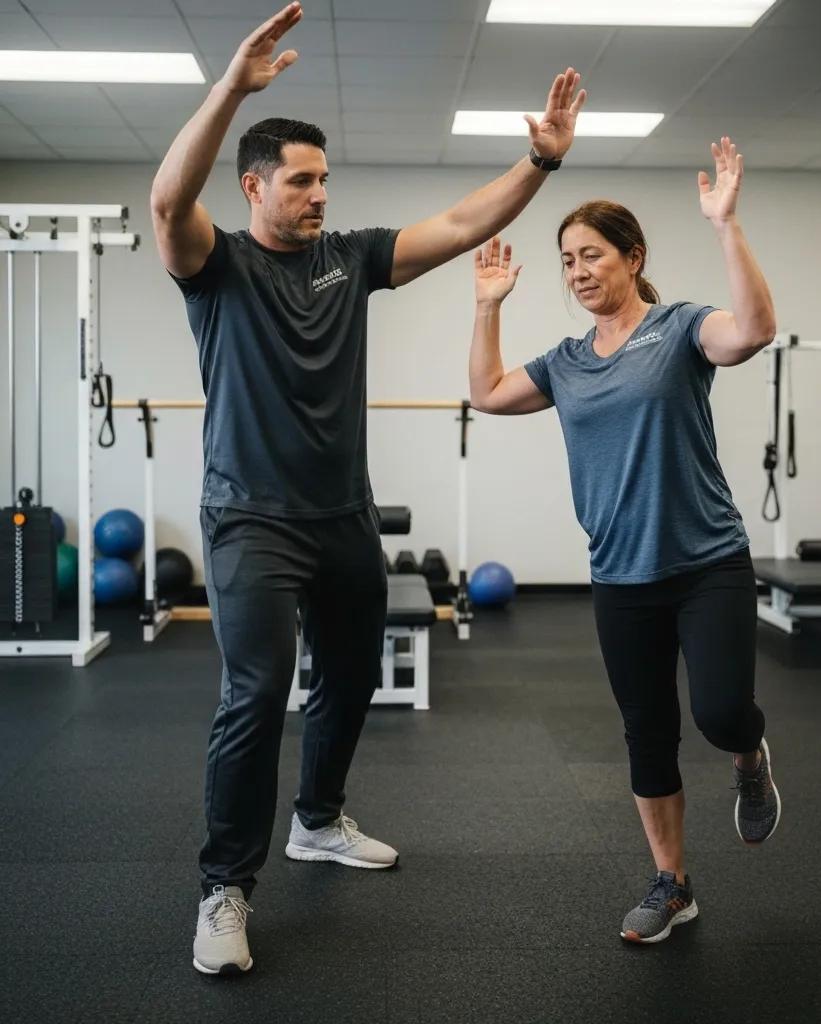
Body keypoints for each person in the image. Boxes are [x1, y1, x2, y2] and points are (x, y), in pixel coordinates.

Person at [149, 1, 586, 975]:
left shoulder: (351, 259)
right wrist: (229, 89)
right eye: (300, 182)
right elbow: (167, 203)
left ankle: (318, 818)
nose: (318, 195)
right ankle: (225, 887)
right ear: (254, 186)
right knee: (257, 694)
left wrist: (543, 161)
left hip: (341, 515)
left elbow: (467, 218)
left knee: (350, 675)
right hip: (248, 519)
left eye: (324, 180)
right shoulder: (213, 268)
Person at [467, 137, 781, 944]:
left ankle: (750, 761)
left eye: (591, 254)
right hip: (620, 574)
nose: (577, 271)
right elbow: (490, 396)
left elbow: (752, 331)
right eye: (567, 259)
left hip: (708, 561)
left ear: (632, 257)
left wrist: (725, 224)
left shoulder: (680, 328)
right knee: (648, 734)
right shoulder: (567, 361)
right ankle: (672, 884)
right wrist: (488, 304)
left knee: (718, 714)